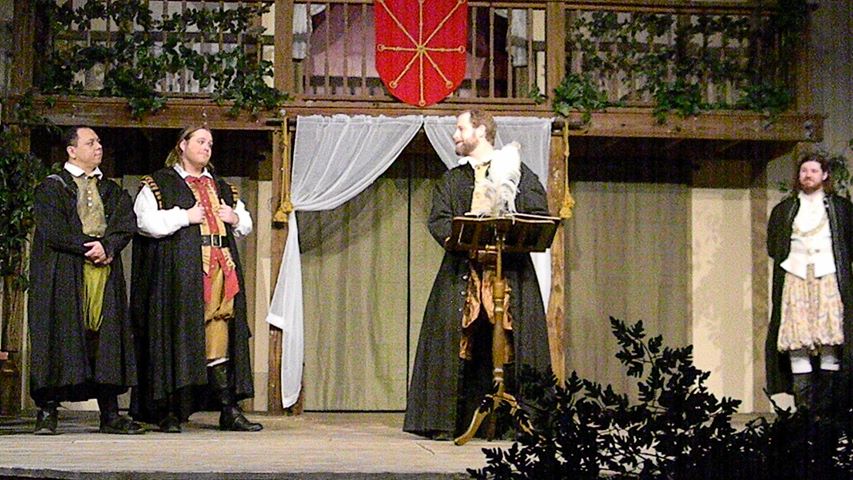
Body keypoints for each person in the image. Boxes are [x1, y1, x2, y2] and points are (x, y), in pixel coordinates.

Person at [403, 110, 552, 439]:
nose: (455, 135)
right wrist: (464, 239)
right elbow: (439, 220)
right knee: (457, 343)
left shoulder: (518, 173)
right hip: (464, 272)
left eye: (460, 128)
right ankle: (451, 422)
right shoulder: (453, 180)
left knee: (514, 342)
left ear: (481, 130)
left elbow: (538, 213)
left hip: (509, 275)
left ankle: (518, 421)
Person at [130, 126, 261, 433]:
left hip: (220, 268)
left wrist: (235, 218)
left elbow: (245, 222)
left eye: (210, 143)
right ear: (182, 145)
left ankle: (228, 409)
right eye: (200, 141)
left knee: (218, 335)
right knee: (176, 334)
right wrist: (183, 217)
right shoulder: (159, 183)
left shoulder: (220, 185)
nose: (207, 147)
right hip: (180, 274)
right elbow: (144, 221)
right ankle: (168, 410)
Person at [28, 126, 143, 435]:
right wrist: (89, 247)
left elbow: (125, 223)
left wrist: (108, 246)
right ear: (72, 150)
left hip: (103, 271)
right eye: (90, 142)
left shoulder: (111, 190)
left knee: (105, 339)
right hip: (65, 272)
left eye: (99, 142)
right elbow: (53, 229)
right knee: (60, 334)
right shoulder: (52, 187)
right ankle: (47, 411)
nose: (98, 147)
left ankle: (110, 414)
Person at [766, 152, 853, 419]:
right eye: (804, 171)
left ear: (824, 175)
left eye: (814, 171)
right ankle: (804, 411)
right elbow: (774, 246)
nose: (808, 175)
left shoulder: (841, 208)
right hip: (796, 277)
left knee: (830, 340)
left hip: (829, 276)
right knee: (797, 340)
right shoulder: (785, 209)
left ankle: (828, 411)